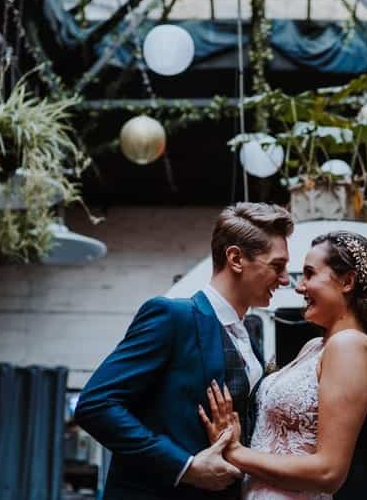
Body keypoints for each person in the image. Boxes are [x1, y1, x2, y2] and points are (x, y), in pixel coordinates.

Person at [74, 202, 294, 499]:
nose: (284, 279)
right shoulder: (172, 317)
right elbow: (96, 404)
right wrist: (185, 466)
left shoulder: (250, 341)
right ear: (236, 258)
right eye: (277, 266)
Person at [199, 230, 367, 499]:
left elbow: (328, 472)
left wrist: (235, 452)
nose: (299, 286)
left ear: (347, 281)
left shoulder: (350, 346)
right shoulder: (315, 347)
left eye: (309, 274)